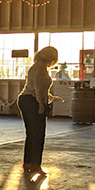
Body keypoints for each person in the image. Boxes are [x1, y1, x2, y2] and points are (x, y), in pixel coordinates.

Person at [18, 46, 62, 179]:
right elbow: (37, 87)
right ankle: (36, 165)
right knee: (39, 134)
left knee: (31, 134)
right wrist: (41, 105)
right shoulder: (41, 68)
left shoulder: (36, 66)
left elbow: (39, 88)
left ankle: (27, 163)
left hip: (25, 99)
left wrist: (49, 97)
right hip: (32, 101)